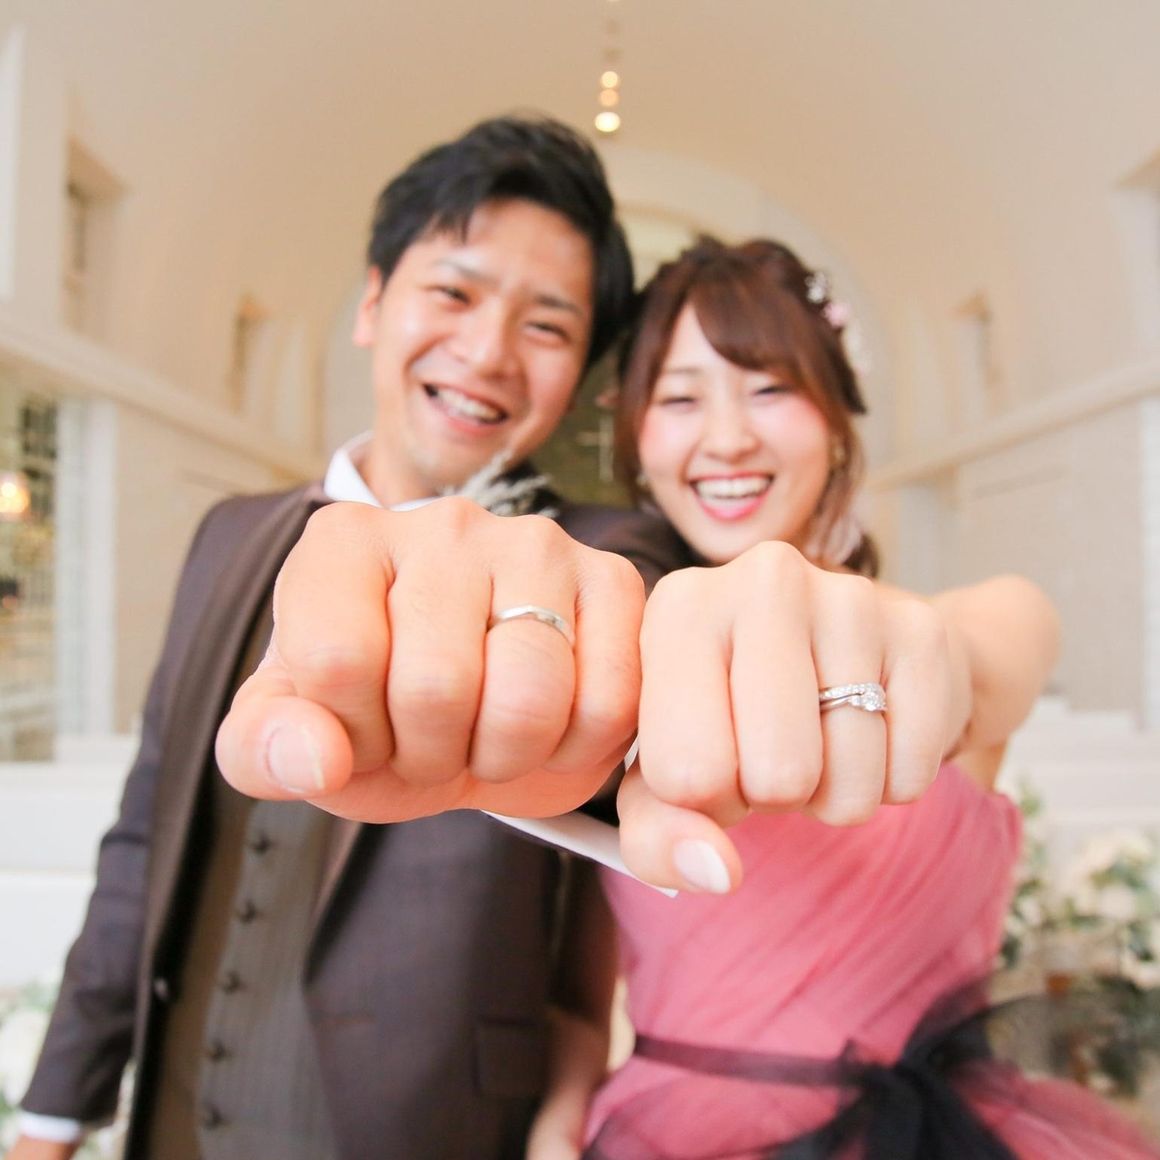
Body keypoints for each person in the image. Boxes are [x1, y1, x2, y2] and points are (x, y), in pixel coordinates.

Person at [10, 115, 690, 1160]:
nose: (487, 353)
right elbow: (144, 836)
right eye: (453, 293)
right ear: (373, 303)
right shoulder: (228, 535)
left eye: (547, 327)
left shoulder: (603, 555)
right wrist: (51, 1120)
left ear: (577, 377)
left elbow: (630, 700)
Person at [524, 237, 1158, 1159]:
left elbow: (978, 665)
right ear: (638, 440)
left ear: (834, 417)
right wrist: (555, 1129)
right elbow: (581, 1000)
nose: (727, 437)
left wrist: (908, 656)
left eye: (769, 388)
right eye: (682, 397)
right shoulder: (615, 682)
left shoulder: (973, 618)